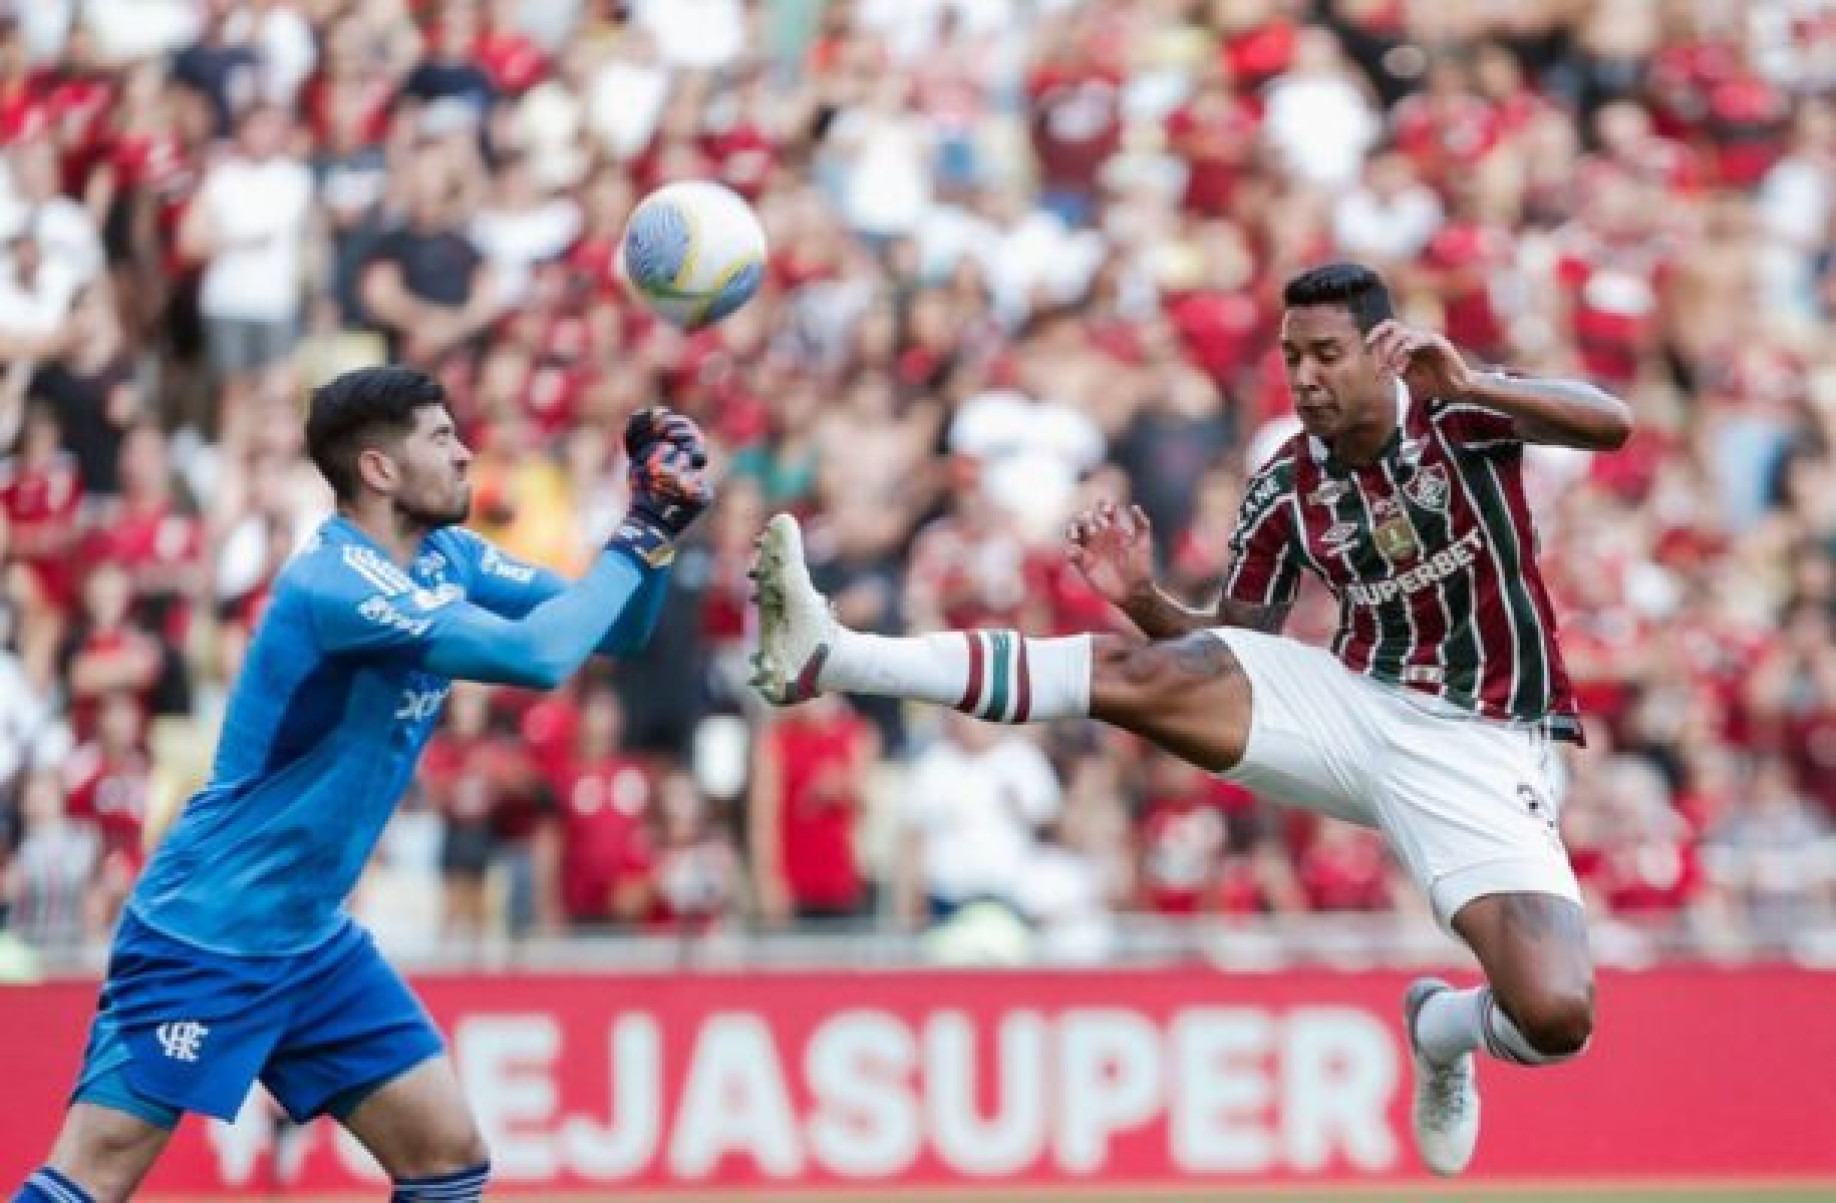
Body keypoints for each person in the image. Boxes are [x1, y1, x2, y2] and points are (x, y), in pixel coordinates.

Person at [750, 261, 1633, 1178]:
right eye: (1293, 358)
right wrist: (1141, 599)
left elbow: (1614, 423)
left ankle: (1440, 1027)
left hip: (1480, 739)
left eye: (1327, 354)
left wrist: (1474, 377)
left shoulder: (1459, 412)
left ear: (1381, 349)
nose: (1307, 378)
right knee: (1139, 672)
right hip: (1352, 702)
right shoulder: (1286, 483)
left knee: (1556, 1014)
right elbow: (1236, 645)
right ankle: (838, 653)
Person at [13, 365, 714, 1203]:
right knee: (96, 1173)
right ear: (379, 469)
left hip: (309, 938)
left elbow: (616, 627)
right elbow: (538, 656)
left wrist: (658, 524)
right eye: (442, 438)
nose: (466, 454)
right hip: (208, 932)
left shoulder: (449, 553)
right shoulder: (332, 583)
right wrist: (636, 529)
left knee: (447, 1156)